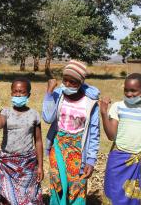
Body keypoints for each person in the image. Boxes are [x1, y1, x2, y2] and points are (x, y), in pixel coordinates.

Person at [42, 60, 100, 205]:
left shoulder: (90, 102)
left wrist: (91, 160)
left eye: (73, 82)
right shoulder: (58, 94)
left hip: (79, 148)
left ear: (81, 82)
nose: (67, 84)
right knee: (57, 182)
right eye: (65, 80)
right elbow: (48, 118)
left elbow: (94, 133)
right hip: (59, 144)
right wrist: (49, 93)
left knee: (77, 185)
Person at [100, 73, 141, 205]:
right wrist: (104, 113)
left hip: (138, 163)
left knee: (136, 200)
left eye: (133, 90)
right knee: (113, 197)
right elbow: (111, 136)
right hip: (117, 161)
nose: (129, 94)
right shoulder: (118, 107)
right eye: (126, 90)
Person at [0, 77, 44, 205]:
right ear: (11, 93)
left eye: (22, 92)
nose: (18, 94)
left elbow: (38, 141)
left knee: (28, 195)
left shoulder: (34, 114)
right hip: (8, 162)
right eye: (15, 91)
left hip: (27, 162)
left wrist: (40, 166)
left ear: (28, 94)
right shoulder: (6, 112)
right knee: (7, 198)